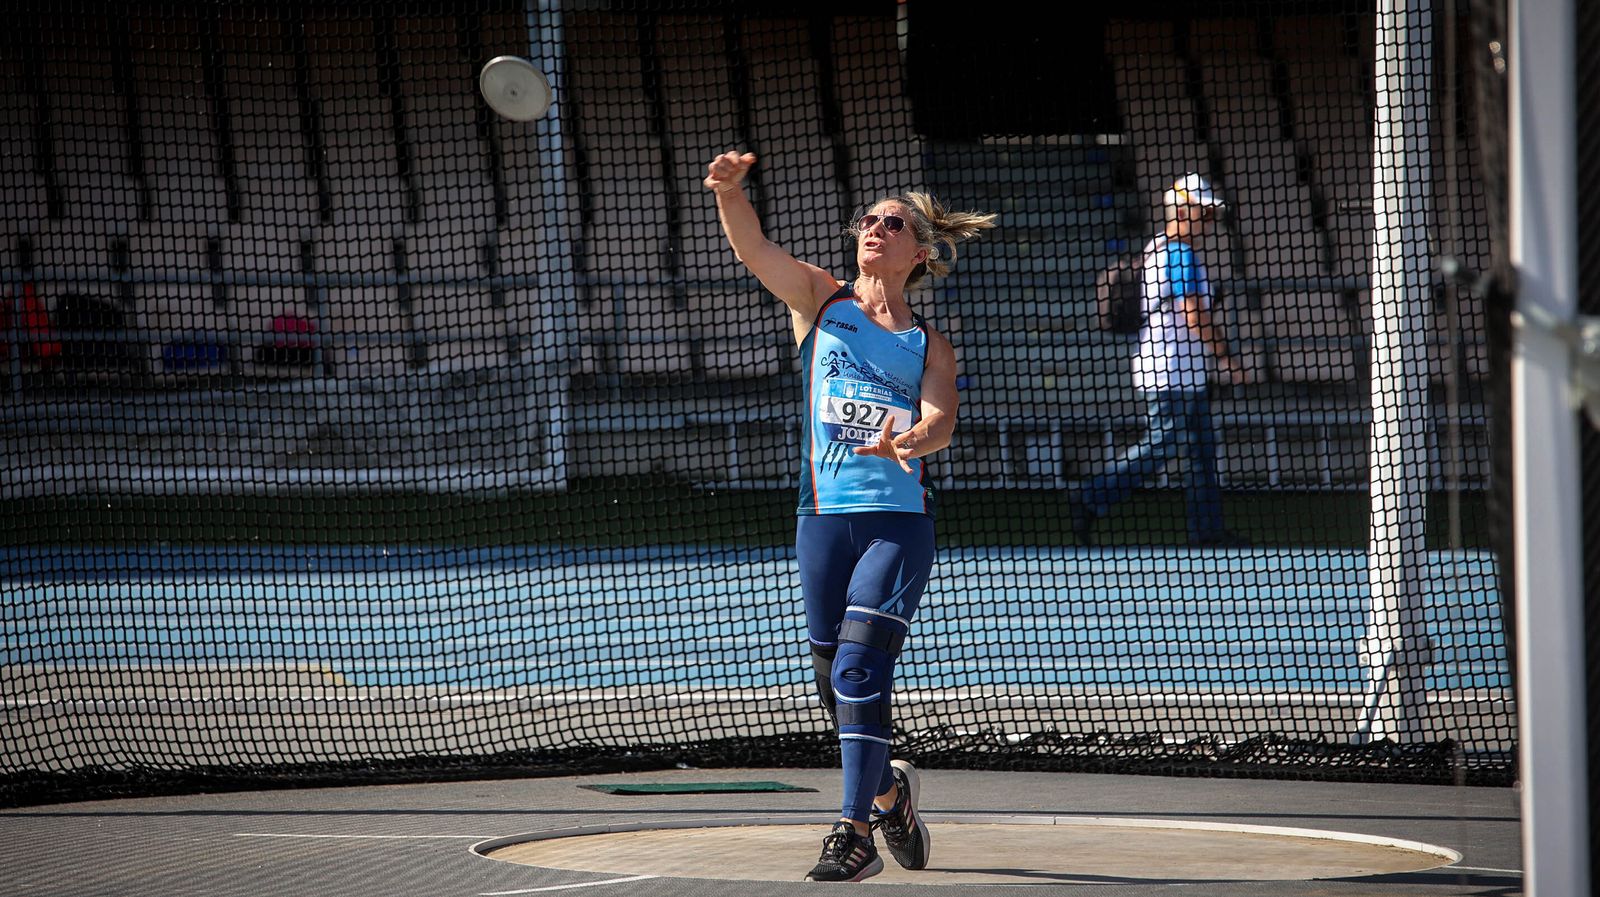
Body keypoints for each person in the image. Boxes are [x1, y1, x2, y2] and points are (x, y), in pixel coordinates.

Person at [704, 150, 995, 882]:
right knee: (838, 689)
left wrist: (909, 440)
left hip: (897, 521)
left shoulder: (929, 343)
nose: (874, 227)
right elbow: (754, 249)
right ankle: (892, 793)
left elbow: (941, 420)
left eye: (891, 222)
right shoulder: (821, 302)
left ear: (919, 252)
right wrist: (730, 193)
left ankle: (853, 831)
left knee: (864, 668)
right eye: (868, 218)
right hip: (823, 518)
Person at [1070, 173, 1250, 547]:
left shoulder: (1157, 248)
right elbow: (1194, 314)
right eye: (1206, 214)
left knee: (1201, 450)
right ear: (1184, 211)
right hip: (1174, 370)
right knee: (1165, 443)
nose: (1210, 223)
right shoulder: (1181, 254)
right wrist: (1228, 359)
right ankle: (1091, 497)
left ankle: (1208, 530)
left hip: (1177, 369)